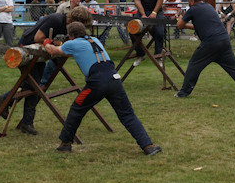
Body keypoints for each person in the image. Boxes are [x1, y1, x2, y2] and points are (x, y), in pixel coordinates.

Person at [43, 21, 162, 155]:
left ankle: (65, 143)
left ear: (71, 36)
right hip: (114, 78)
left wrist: (46, 43)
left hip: (96, 83)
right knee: (127, 114)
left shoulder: (72, 43)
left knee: (77, 109)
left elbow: (54, 51)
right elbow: (70, 48)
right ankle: (148, 146)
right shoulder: (94, 39)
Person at [0, 6, 93, 135]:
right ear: (72, 21)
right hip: (27, 50)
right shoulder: (55, 20)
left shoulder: (66, 24)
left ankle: (26, 122)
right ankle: (6, 100)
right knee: (33, 85)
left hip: (40, 54)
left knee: (34, 86)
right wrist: (55, 43)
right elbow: (38, 38)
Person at [175, 0, 235, 98]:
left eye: (189, 2)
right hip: (224, 40)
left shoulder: (193, 9)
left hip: (211, 43)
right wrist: (186, 26)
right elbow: (200, 26)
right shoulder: (208, 7)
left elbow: (179, 25)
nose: (189, 4)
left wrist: (180, 18)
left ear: (192, 1)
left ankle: (183, 93)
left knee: (194, 66)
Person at [130, 0, 165, 67]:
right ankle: (140, 54)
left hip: (156, 10)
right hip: (142, 10)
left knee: (159, 31)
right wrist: (143, 14)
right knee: (132, 29)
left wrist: (154, 12)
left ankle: (158, 56)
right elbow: (137, 0)